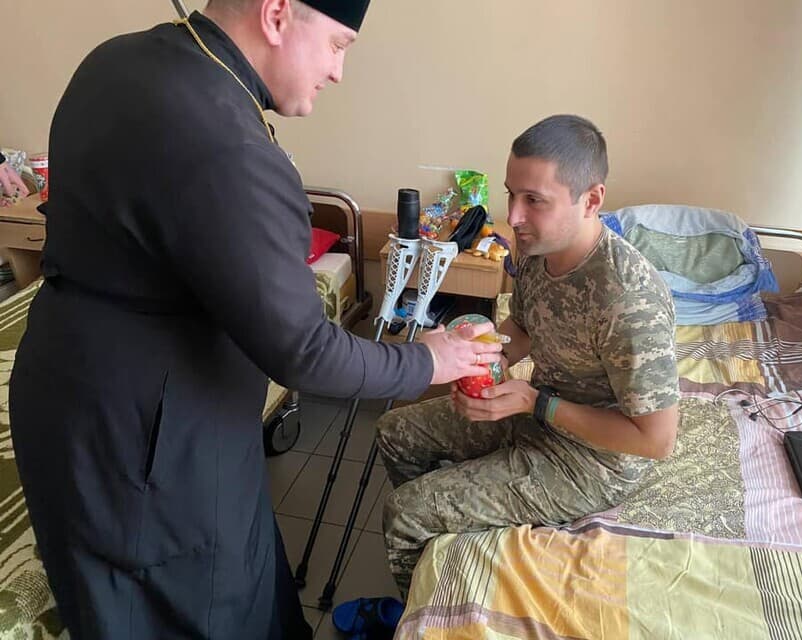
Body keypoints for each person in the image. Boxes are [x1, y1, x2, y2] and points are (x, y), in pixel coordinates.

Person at [9, 1, 501, 638]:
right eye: (336, 44)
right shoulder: (230, 143)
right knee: (193, 605)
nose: (339, 71)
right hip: (144, 436)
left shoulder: (117, 60)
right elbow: (305, 350)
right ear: (276, 14)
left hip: (63, 380)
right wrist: (431, 357)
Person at [377, 114, 681, 597]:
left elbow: (656, 440)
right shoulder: (537, 250)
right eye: (511, 194)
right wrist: (477, 351)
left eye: (534, 200)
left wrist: (536, 402)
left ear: (592, 199)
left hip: (592, 460)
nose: (514, 217)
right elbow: (522, 328)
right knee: (394, 431)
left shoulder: (626, 298)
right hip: (535, 411)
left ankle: (430, 578)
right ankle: (451, 543)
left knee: (406, 512)